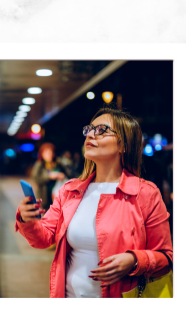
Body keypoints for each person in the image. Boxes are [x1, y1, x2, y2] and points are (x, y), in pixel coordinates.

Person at [15, 107, 173, 298]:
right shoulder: (70, 191)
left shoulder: (145, 193)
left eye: (101, 130)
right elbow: (43, 238)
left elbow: (166, 257)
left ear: (123, 144)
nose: (90, 134)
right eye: (89, 129)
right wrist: (27, 220)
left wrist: (134, 260)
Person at [31, 143, 68, 210]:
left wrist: (61, 175)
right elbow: (36, 179)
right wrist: (49, 177)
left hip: (57, 195)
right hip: (45, 196)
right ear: (42, 154)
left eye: (51, 152)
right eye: (47, 152)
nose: (49, 154)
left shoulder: (58, 163)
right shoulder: (40, 164)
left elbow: (67, 174)